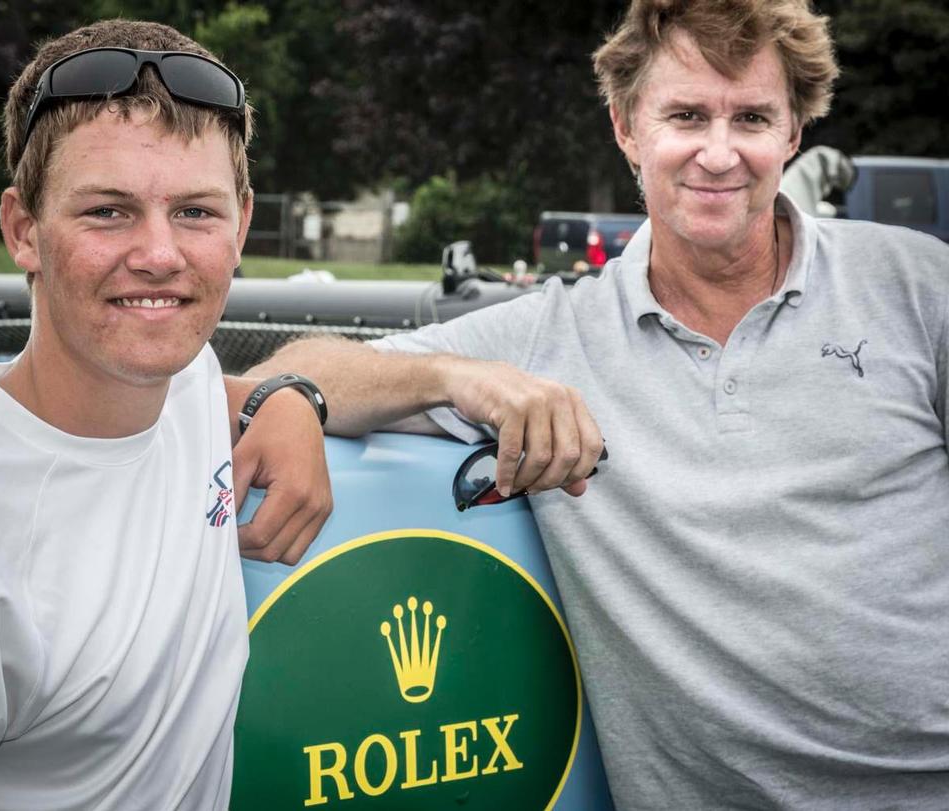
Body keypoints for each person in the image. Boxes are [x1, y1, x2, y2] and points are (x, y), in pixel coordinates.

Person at [248, 0, 949, 807]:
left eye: (752, 117)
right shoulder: (550, 337)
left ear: (793, 135)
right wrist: (457, 377)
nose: (719, 153)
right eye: (685, 115)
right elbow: (301, 365)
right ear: (626, 129)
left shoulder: (916, 283)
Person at [0, 20, 331, 810]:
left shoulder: (188, 385)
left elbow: (355, 374)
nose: (159, 254)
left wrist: (292, 398)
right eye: (108, 211)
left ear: (241, 225)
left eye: (196, 213)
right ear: (22, 231)